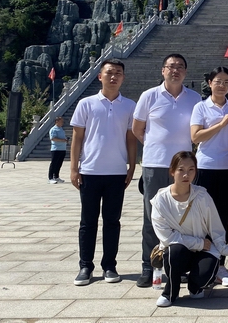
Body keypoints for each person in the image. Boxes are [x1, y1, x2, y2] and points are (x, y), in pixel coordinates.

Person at [132, 54, 201, 288]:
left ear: (185, 72)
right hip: (155, 165)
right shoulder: (149, 96)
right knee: (152, 216)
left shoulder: (194, 98)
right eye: (171, 66)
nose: (175, 70)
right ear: (163, 70)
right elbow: (137, 129)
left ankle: (177, 266)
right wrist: (155, 146)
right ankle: (149, 266)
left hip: (184, 168)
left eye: (180, 67)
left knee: (182, 217)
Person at [70, 59, 136, 286]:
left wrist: (132, 166)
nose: (113, 77)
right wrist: (74, 168)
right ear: (100, 76)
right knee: (88, 222)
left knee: (112, 221)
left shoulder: (129, 106)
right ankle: (85, 266)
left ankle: (110, 265)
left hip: (116, 173)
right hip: (90, 171)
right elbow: (77, 137)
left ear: (123, 78)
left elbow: (131, 139)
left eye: (118, 73)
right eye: (109, 72)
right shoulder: (86, 104)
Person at [151, 151, 228, 306]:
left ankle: (195, 286)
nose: (186, 175)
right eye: (181, 170)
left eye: (191, 170)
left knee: (207, 273)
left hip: (202, 250)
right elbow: (167, 237)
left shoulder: (202, 196)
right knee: (174, 251)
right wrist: (199, 243)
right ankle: (170, 292)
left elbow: (216, 228)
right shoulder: (161, 200)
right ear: (172, 171)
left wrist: (226, 249)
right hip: (180, 250)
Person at [190, 66, 228, 286]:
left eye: (226, 82)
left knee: (223, 218)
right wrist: (221, 124)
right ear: (210, 83)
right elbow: (196, 137)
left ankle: (219, 265)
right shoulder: (201, 107)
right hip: (206, 168)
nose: (222, 85)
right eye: (218, 81)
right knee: (203, 220)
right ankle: (202, 265)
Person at [48, 116, 68, 184]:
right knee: (54, 164)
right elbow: (53, 138)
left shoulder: (61, 129)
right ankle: (50, 178)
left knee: (59, 164)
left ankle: (56, 176)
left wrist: (65, 140)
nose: (62, 122)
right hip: (56, 149)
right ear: (57, 121)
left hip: (62, 149)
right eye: (61, 121)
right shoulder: (53, 129)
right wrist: (62, 140)